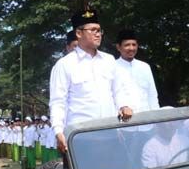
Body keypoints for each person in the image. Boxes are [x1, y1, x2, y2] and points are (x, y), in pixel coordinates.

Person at [49, 8, 134, 154]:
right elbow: (58, 101)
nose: (98, 34)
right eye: (93, 30)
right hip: (81, 137)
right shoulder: (64, 65)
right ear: (79, 33)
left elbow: (118, 90)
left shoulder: (109, 60)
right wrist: (58, 131)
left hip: (110, 133)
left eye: (99, 30)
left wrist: (124, 105)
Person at [114, 29, 160, 113]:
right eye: (127, 45)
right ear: (118, 47)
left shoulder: (145, 67)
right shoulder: (112, 67)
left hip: (147, 120)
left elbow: (152, 94)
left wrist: (156, 116)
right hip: (124, 121)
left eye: (134, 45)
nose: (131, 48)